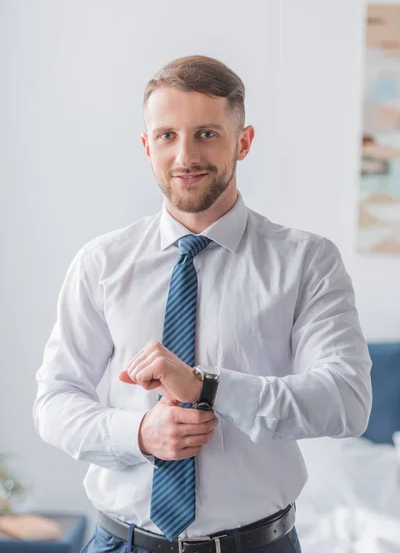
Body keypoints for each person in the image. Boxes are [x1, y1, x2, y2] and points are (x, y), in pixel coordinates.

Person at [33, 55, 372, 553]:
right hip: (121, 542)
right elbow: (54, 404)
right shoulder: (101, 264)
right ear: (147, 146)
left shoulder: (307, 263)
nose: (185, 155)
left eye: (207, 134)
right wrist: (140, 433)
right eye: (167, 136)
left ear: (244, 141)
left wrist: (207, 387)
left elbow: (347, 401)